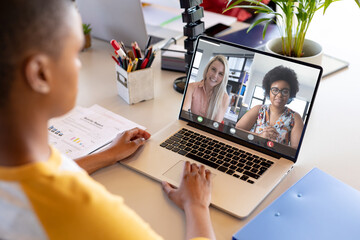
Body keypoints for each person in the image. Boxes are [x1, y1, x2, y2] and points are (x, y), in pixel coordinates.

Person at [0, 1, 215, 240]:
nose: (79, 64)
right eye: (75, 53)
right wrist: (196, 206)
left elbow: (37, 177)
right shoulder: (81, 210)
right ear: (40, 74)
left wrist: (107, 155)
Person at [235, 65, 304, 148]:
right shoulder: (258, 109)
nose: (279, 95)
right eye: (275, 90)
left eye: (285, 91)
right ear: (269, 91)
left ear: (290, 94)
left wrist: (276, 145)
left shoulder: (295, 118)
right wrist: (259, 136)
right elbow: (237, 131)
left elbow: (295, 151)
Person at [183, 55, 230, 123]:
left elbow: (215, 125)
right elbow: (184, 111)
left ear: (224, 78)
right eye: (213, 69)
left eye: (220, 74)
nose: (215, 76)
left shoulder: (224, 98)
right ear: (208, 69)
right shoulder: (191, 87)